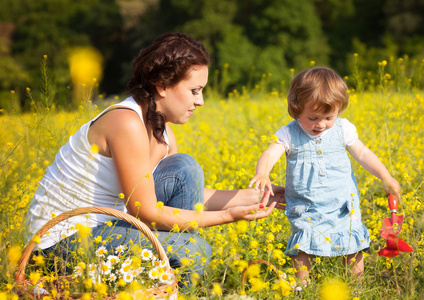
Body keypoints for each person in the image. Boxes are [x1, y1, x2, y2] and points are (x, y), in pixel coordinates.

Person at [24, 32, 284, 285]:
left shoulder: (163, 130)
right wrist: (229, 216)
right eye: (194, 90)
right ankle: (169, 285)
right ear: (162, 85)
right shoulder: (125, 122)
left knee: (184, 169)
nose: (201, 101)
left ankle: (158, 282)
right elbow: (147, 212)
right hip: (59, 246)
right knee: (194, 250)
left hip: (107, 229)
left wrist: (268, 196)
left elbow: (193, 197)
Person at [249, 67, 401, 285]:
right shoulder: (290, 133)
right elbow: (271, 152)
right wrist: (262, 173)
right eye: (312, 118)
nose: (320, 124)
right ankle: (302, 288)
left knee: (352, 246)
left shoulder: (342, 129)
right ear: (296, 109)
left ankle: (355, 289)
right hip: (306, 206)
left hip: (342, 205)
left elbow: (363, 153)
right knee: (302, 248)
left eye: (329, 117)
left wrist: (385, 176)